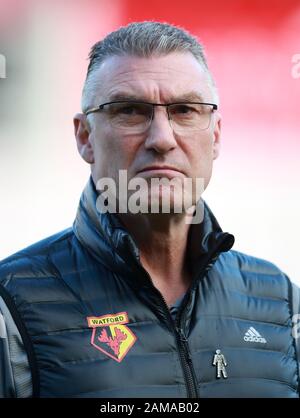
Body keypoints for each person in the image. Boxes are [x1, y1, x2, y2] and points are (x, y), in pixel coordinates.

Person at [0, 21, 299, 399]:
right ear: (85, 137)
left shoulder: (280, 303)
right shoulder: (12, 308)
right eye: (130, 111)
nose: (161, 139)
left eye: (185, 110)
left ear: (216, 135)